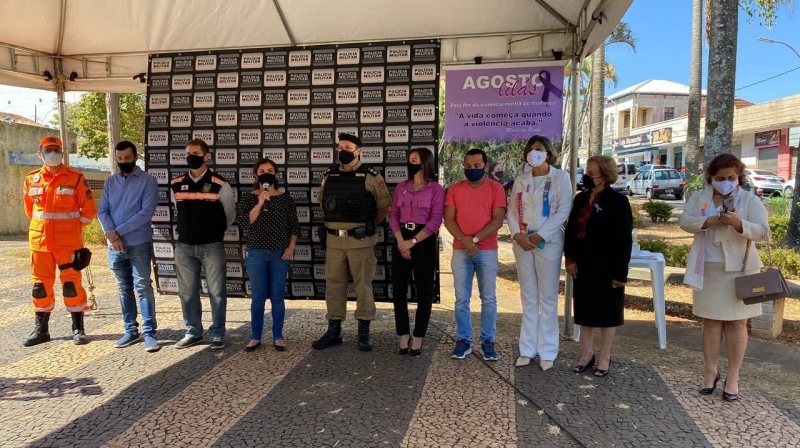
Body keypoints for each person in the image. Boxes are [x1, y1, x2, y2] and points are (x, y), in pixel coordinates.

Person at [680, 153, 768, 402]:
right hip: (708, 266)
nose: (727, 182)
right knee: (710, 322)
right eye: (721, 178)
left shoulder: (749, 199)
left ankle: (733, 376)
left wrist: (741, 224)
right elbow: (685, 221)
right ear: (711, 178)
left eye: (732, 177)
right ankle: (710, 373)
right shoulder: (700, 197)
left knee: (737, 324)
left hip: (739, 270)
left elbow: (763, 231)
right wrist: (709, 220)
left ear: (739, 175)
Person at [312, 133, 392, 351]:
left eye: (348, 147)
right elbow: (323, 203)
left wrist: (366, 225)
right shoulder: (329, 174)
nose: (343, 151)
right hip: (334, 241)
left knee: (363, 287)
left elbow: (384, 207)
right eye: (340, 147)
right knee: (334, 286)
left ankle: (363, 334)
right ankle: (333, 331)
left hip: (360, 241)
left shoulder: (371, 176)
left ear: (358, 151)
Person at [22, 136, 98, 346]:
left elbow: (89, 212)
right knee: (40, 286)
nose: (53, 153)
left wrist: (71, 230)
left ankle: (78, 329)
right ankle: (41, 330)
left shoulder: (75, 178)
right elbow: (31, 211)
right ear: (40, 153)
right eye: (48, 150)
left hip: (68, 244)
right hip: (40, 243)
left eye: (56, 149)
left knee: (71, 285)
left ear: (62, 152)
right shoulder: (31, 179)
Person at [506, 136, 573, 370]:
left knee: (547, 297)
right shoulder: (521, 180)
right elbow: (512, 211)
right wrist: (517, 235)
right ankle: (527, 349)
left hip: (548, 242)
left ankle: (547, 351)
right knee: (529, 297)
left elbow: (564, 209)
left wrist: (541, 235)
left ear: (548, 153)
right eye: (531, 149)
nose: (534, 153)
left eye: (539, 149)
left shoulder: (560, 178)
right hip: (523, 244)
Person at [564, 155, 632, 377]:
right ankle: (586, 353)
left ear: (606, 174)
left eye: (592, 173)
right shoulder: (580, 198)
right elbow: (572, 230)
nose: (588, 176)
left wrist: (620, 273)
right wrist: (570, 257)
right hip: (583, 263)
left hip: (608, 265)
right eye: (587, 171)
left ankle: (605, 356)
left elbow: (624, 239)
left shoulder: (618, 201)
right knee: (584, 310)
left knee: (608, 312)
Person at [170, 139, 236, 350]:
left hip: (212, 246)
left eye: (196, 153)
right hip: (184, 247)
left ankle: (217, 333)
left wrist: (212, 230)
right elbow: (177, 211)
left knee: (216, 292)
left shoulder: (220, 183)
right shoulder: (176, 183)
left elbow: (229, 215)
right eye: (188, 153)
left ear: (207, 156)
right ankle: (193, 332)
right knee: (187, 293)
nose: (191, 156)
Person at [444, 148, 506, 361]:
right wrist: (465, 240)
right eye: (468, 166)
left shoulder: (496, 189)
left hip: (486, 250)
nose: (472, 170)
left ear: (485, 167)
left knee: (488, 298)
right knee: (462, 299)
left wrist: (475, 240)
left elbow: (497, 220)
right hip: (461, 251)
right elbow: (449, 220)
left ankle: (488, 341)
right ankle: (463, 340)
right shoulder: (454, 189)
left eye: (477, 166)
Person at [98, 141, 160, 352]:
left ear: (135, 157)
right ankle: (130, 331)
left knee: (143, 286)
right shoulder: (110, 182)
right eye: (120, 159)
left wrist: (118, 232)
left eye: (127, 158)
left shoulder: (148, 181)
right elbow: (103, 211)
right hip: (114, 245)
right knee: (123, 289)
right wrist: (111, 234)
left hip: (138, 242)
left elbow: (145, 213)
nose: (123, 162)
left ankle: (149, 333)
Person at [237, 158, 299, 352]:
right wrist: (260, 201)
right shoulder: (249, 197)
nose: (266, 173)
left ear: (275, 174)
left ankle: (278, 336)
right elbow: (245, 223)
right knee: (258, 297)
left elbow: (294, 226)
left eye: (270, 170)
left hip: (279, 253)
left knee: (277, 296)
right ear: (256, 175)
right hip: (256, 252)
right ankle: (255, 336)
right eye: (262, 170)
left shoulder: (285, 198)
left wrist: (291, 248)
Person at [389, 147, 444, 357]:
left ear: (425, 163)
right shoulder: (402, 187)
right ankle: (403, 334)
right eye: (410, 160)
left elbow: (435, 220)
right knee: (400, 290)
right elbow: (394, 215)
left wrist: (412, 242)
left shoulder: (436, 189)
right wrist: (401, 241)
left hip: (423, 241)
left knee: (424, 292)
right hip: (401, 239)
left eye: (416, 160)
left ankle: (419, 335)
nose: (411, 163)